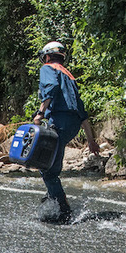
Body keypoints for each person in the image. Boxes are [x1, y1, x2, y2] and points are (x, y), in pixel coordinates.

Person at [35, 41, 86, 223]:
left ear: (47, 56)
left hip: (60, 121)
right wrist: (91, 140)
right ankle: (54, 196)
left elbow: (51, 87)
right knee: (52, 165)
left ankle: (63, 210)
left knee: (47, 169)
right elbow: (81, 110)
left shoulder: (48, 68)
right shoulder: (69, 75)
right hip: (73, 125)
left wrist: (40, 113)